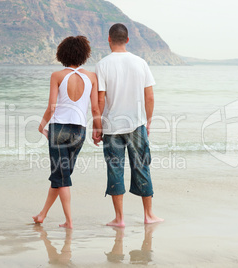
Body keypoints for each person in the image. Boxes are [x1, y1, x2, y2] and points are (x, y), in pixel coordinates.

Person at [95, 23, 164, 227]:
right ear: (127, 40)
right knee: (142, 166)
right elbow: (149, 97)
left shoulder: (102, 65)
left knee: (114, 169)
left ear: (108, 39)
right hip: (136, 124)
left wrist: (97, 127)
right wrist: (148, 120)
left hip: (111, 127)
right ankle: (149, 215)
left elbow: (100, 101)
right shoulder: (140, 63)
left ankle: (119, 219)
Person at [33, 36, 102, 229]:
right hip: (79, 131)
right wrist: (98, 130)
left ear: (62, 54)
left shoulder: (57, 76)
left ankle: (69, 222)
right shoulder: (91, 77)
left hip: (58, 129)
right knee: (61, 176)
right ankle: (42, 215)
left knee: (62, 177)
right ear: (84, 54)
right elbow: (95, 109)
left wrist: (41, 125)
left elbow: (51, 108)